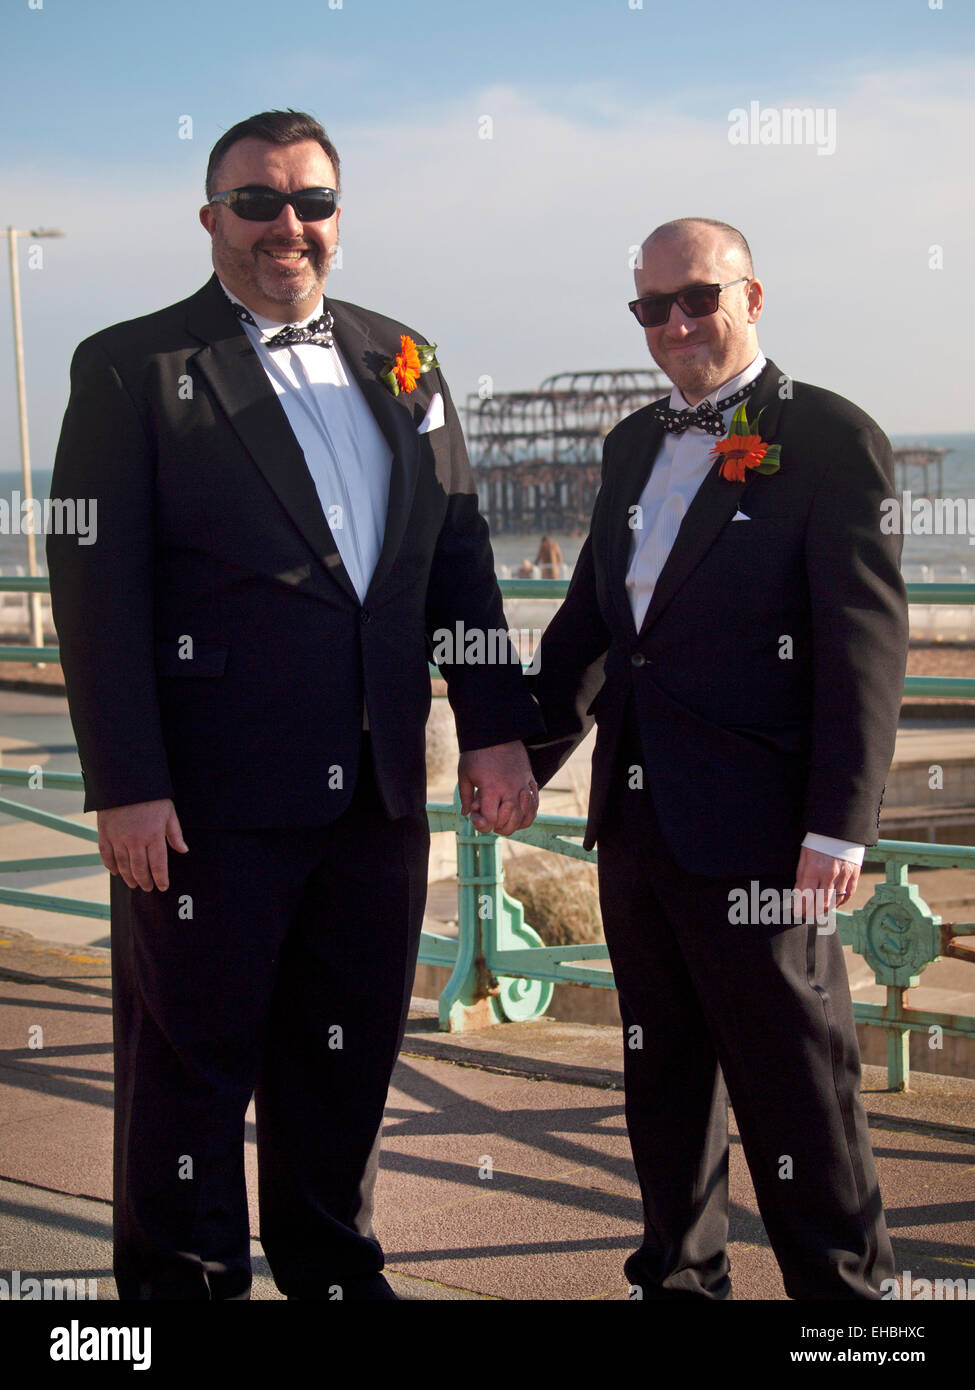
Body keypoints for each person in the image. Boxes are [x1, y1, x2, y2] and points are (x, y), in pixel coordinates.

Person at [47, 109, 543, 1301]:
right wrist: (126, 783)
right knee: (191, 1071)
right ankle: (181, 1292)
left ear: (338, 215)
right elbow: (95, 592)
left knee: (345, 1060)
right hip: (208, 801)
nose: (288, 226)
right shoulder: (130, 365)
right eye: (258, 201)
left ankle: (335, 1277)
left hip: (376, 794)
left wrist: (492, 724)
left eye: (311, 202)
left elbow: (460, 556)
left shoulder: (403, 357)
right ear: (211, 215)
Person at [528, 217, 908, 1299]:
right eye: (653, 307)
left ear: (752, 295)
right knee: (662, 1079)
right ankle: (679, 1280)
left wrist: (841, 823)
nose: (676, 323)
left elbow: (865, 645)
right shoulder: (632, 443)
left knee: (800, 1088)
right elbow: (594, 632)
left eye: (698, 298)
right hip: (640, 829)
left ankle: (848, 1307)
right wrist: (519, 753)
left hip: (768, 836)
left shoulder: (830, 438)